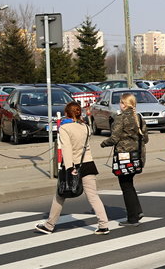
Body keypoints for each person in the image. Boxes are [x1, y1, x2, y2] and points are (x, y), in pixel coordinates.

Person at [36, 102, 110, 235]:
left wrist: (70, 167)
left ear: (66, 113)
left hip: (72, 165)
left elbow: (66, 148)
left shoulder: (64, 128)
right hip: (88, 164)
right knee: (93, 196)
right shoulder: (86, 127)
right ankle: (103, 225)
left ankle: (49, 225)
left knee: (60, 195)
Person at [100, 92, 149, 226]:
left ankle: (132, 218)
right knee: (130, 184)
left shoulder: (120, 118)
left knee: (126, 186)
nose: (119, 105)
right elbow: (146, 138)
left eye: (121, 102)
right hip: (137, 156)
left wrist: (103, 143)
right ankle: (137, 211)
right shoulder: (138, 117)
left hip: (124, 158)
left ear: (125, 104)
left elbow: (114, 138)